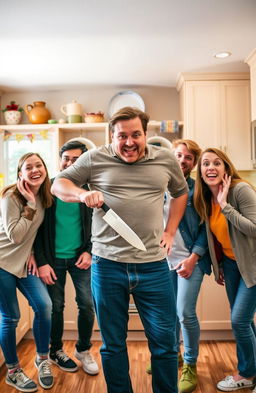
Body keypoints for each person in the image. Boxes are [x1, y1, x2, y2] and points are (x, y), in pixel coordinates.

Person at [51, 106, 188, 393]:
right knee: (113, 345)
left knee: (164, 344)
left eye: (135, 134)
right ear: (111, 136)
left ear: (145, 134)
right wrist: (82, 193)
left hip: (153, 266)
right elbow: (58, 185)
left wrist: (170, 230)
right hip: (107, 265)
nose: (129, 142)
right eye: (121, 136)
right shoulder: (94, 158)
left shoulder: (165, 159)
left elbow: (180, 192)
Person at [33, 140, 99, 375]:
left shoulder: (88, 191)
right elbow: (36, 231)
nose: (70, 163)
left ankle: (83, 349)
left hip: (81, 258)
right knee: (55, 307)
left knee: (87, 304)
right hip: (52, 261)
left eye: (76, 159)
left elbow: (97, 225)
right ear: (59, 159)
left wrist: (89, 251)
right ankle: (56, 351)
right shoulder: (47, 189)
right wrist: (41, 262)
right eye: (66, 158)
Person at [194, 147, 256, 392]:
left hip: (251, 264)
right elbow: (215, 236)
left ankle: (246, 374)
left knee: (239, 321)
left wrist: (225, 206)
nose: (211, 167)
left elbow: (254, 228)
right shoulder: (205, 198)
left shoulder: (239, 190)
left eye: (217, 163)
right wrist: (218, 264)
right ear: (200, 172)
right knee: (245, 322)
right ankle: (251, 370)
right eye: (206, 163)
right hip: (231, 265)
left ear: (226, 168)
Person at [0, 152, 54, 392]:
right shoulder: (11, 196)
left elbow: (32, 235)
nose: (35, 170)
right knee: (10, 318)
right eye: (28, 167)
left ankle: (43, 359)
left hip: (24, 263)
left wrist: (32, 253)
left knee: (44, 306)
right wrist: (30, 205)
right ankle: (13, 371)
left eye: (38, 165)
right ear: (20, 174)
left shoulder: (45, 196)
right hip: (2, 263)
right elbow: (15, 235)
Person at [164, 140, 211, 393]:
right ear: (171, 156)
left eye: (189, 157)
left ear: (194, 163)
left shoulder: (198, 191)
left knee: (185, 313)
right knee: (169, 313)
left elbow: (206, 229)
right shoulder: (157, 186)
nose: (183, 160)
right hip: (162, 261)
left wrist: (194, 258)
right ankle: (174, 356)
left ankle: (190, 364)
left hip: (191, 260)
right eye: (179, 155)